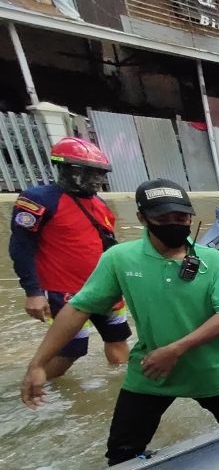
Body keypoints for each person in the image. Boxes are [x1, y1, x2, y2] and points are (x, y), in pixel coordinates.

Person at [21, 179, 219, 466]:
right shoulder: (120, 258)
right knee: (121, 455)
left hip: (203, 371)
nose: (174, 224)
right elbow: (78, 309)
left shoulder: (211, 260)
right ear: (142, 218)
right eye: (162, 218)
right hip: (149, 371)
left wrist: (175, 350)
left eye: (181, 217)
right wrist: (38, 363)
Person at [8, 137, 131, 380]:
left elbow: (107, 245)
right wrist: (33, 292)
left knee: (118, 339)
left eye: (101, 173)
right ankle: (34, 387)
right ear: (70, 170)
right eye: (92, 173)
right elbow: (21, 246)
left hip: (104, 287)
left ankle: (121, 385)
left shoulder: (100, 204)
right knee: (71, 350)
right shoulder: (38, 200)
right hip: (63, 292)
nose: (99, 179)